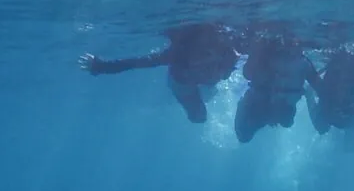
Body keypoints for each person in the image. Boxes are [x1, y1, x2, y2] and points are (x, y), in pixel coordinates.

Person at [78, 22, 240, 124]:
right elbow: (137, 63)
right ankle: (169, 100)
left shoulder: (229, 49)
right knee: (199, 118)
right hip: (182, 83)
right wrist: (101, 67)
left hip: (205, 80)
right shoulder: (177, 54)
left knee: (210, 92)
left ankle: (202, 91)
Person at [234, 36, 323, 143]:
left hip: (272, 55)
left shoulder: (258, 78)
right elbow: (318, 85)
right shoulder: (300, 67)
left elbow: (318, 84)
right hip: (279, 59)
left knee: (244, 135)